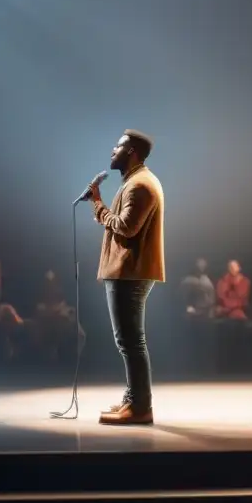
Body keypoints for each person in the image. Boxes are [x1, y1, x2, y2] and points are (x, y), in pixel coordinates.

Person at [87, 129, 165, 426]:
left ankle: (141, 407)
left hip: (129, 272)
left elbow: (125, 227)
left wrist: (97, 202)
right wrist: (100, 204)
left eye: (117, 146)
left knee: (131, 341)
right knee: (129, 340)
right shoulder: (136, 181)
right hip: (128, 271)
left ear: (131, 151)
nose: (112, 150)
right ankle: (134, 399)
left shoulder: (140, 186)